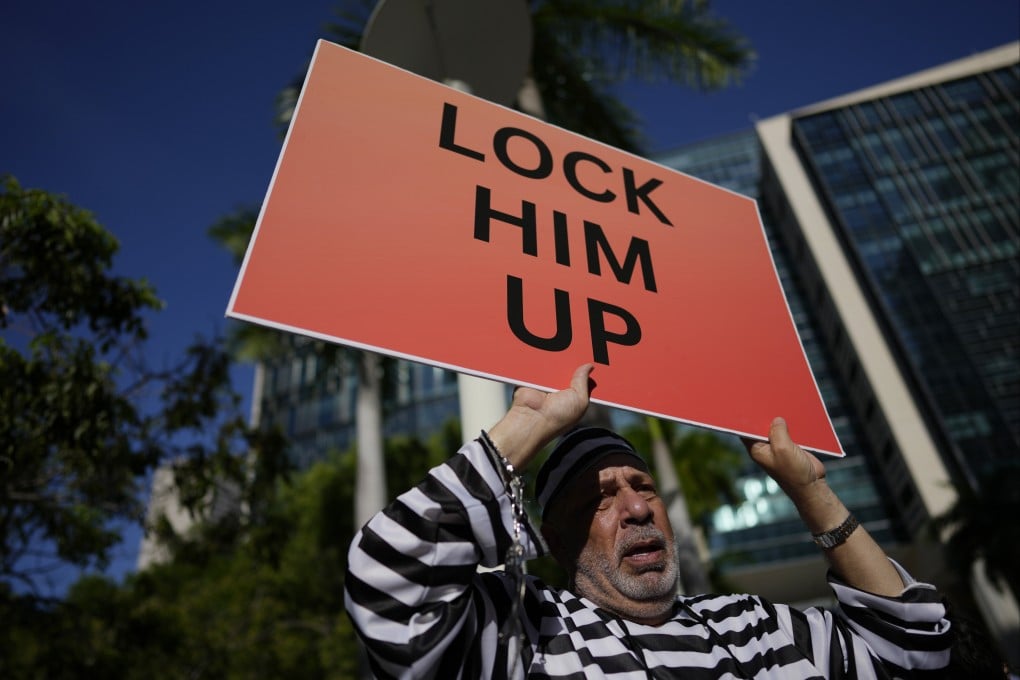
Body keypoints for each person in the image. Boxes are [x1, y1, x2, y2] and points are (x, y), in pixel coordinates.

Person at [345, 364, 951, 678]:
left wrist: (810, 491)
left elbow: (915, 655)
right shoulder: (521, 633)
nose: (637, 509)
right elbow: (389, 589)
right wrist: (527, 429)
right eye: (601, 499)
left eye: (643, 488)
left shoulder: (755, 623)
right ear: (555, 540)